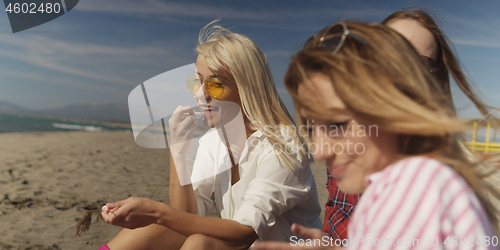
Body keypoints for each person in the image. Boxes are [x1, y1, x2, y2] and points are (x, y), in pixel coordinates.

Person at [253, 21, 499, 250]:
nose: (319, 151)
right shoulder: (393, 186)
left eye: (338, 124)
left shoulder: (418, 188)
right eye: (310, 128)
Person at [98, 23, 322, 250]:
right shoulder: (212, 142)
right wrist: (178, 150)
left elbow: (244, 232)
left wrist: (157, 211)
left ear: (246, 89)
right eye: (196, 81)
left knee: (197, 242)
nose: (200, 95)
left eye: (215, 85)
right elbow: (185, 217)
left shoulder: (282, 144)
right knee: (156, 228)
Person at [322, 9, 499, 242]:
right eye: (389, 57)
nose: (402, 75)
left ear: (435, 84)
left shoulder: (448, 181)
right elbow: (334, 213)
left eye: (419, 65)